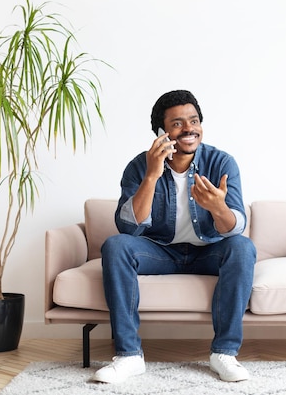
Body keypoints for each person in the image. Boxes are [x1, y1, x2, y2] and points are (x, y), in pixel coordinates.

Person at [93, 90, 257, 384]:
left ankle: (225, 353)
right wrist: (152, 176)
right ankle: (129, 356)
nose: (189, 129)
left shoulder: (222, 163)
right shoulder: (139, 166)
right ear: (161, 132)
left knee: (242, 248)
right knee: (115, 246)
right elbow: (129, 228)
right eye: (178, 123)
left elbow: (235, 227)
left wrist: (219, 208)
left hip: (209, 251)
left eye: (194, 121)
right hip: (160, 252)